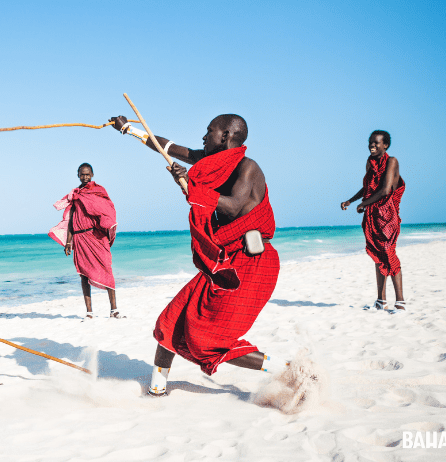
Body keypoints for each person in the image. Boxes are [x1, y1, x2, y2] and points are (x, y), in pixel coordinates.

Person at [109, 114, 287, 396]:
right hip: (225, 261)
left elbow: (232, 206)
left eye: (210, 131)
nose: (204, 137)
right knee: (173, 318)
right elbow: (166, 147)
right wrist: (130, 130)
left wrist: (192, 187)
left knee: (207, 340)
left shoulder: (247, 168)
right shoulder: (213, 162)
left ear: (226, 136)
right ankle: (156, 388)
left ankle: (285, 369)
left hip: (251, 264)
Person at [341, 130, 406, 313]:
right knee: (378, 256)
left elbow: (385, 190)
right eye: (370, 142)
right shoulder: (370, 163)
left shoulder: (391, 161)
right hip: (373, 216)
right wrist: (351, 201)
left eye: (376, 143)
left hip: (387, 216)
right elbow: (368, 188)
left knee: (389, 253)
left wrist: (363, 204)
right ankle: (380, 300)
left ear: (385, 145)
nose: (372, 145)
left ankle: (400, 301)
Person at [49, 163, 123, 319]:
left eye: (87, 174)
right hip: (79, 239)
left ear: (93, 175)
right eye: (82, 174)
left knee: (107, 270)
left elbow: (106, 210)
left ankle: (114, 310)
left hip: (96, 237)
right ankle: (89, 312)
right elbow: (70, 220)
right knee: (83, 275)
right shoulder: (75, 195)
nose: (85, 177)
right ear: (78, 175)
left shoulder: (98, 192)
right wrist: (69, 242)